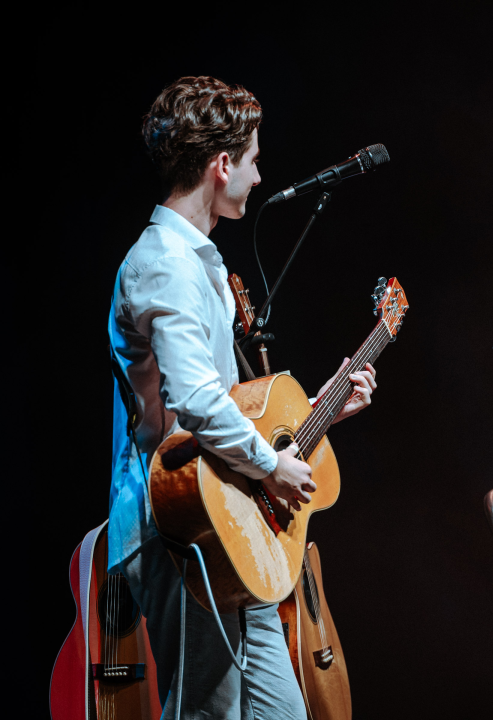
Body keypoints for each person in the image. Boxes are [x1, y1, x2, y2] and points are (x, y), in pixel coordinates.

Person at [108, 75, 377, 719]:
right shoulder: (165, 262)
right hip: (180, 527)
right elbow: (197, 402)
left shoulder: (198, 260)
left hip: (232, 520)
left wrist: (319, 416)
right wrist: (273, 465)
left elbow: (231, 398)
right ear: (221, 164)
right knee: (206, 711)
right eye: (253, 161)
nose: (258, 178)